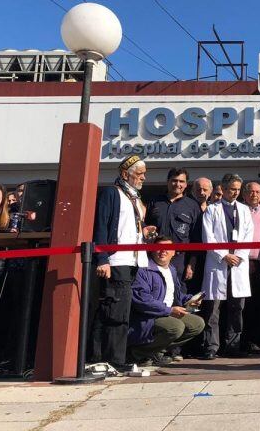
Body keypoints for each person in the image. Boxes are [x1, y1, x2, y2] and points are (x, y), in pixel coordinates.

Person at [91, 155, 153, 371]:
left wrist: (144, 232)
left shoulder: (135, 198)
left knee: (117, 310)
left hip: (133, 260)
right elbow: (101, 225)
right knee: (115, 311)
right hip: (116, 260)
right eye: (140, 173)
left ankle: (104, 356)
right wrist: (102, 258)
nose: (144, 177)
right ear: (125, 174)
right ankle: (112, 359)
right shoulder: (112, 193)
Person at [200, 173, 253, 359]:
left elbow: (248, 236)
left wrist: (237, 256)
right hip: (218, 263)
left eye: (238, 189)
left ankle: (233, 345)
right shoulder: (212, 210)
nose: (236, 193)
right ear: (222, 188)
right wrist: (224, 256)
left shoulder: (245, 210)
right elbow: (208, 237)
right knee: (213, 308)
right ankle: (212, 346)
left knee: (237, 307)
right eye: (232, 189)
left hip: (238, 264)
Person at [127, 238, 205, 366]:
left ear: (174, 252)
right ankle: (138, 353)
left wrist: (191, 299)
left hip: (168, 313)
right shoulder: (144, 270)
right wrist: (169, 310)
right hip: (149, 317)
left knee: (197, 324)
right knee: (176, 327)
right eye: (159, 248)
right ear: (152, 251)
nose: (163, 251)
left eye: (167, 249)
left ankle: (156, 352)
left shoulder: (172, 270)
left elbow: (177, 295)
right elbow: (142, 300)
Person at [146, 168, 202, 294]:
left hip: (180, 260)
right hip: (155, 257)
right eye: (174, 181)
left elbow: (197, 238)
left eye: (181, 181)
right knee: (154, 291)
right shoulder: (155, 202)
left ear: (186, 184)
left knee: (178, 294)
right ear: (168, 182)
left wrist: (191, 264)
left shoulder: (193, 206)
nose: (178, 184)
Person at [239, 181, 260, 355]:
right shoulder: (239, 210)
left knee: (258, 304)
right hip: (242, 262)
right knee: (243, 305)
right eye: (251, 191)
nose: (254, 195)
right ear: (244, 194)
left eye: (258, 192)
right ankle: (241, 341)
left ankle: (254, 341)